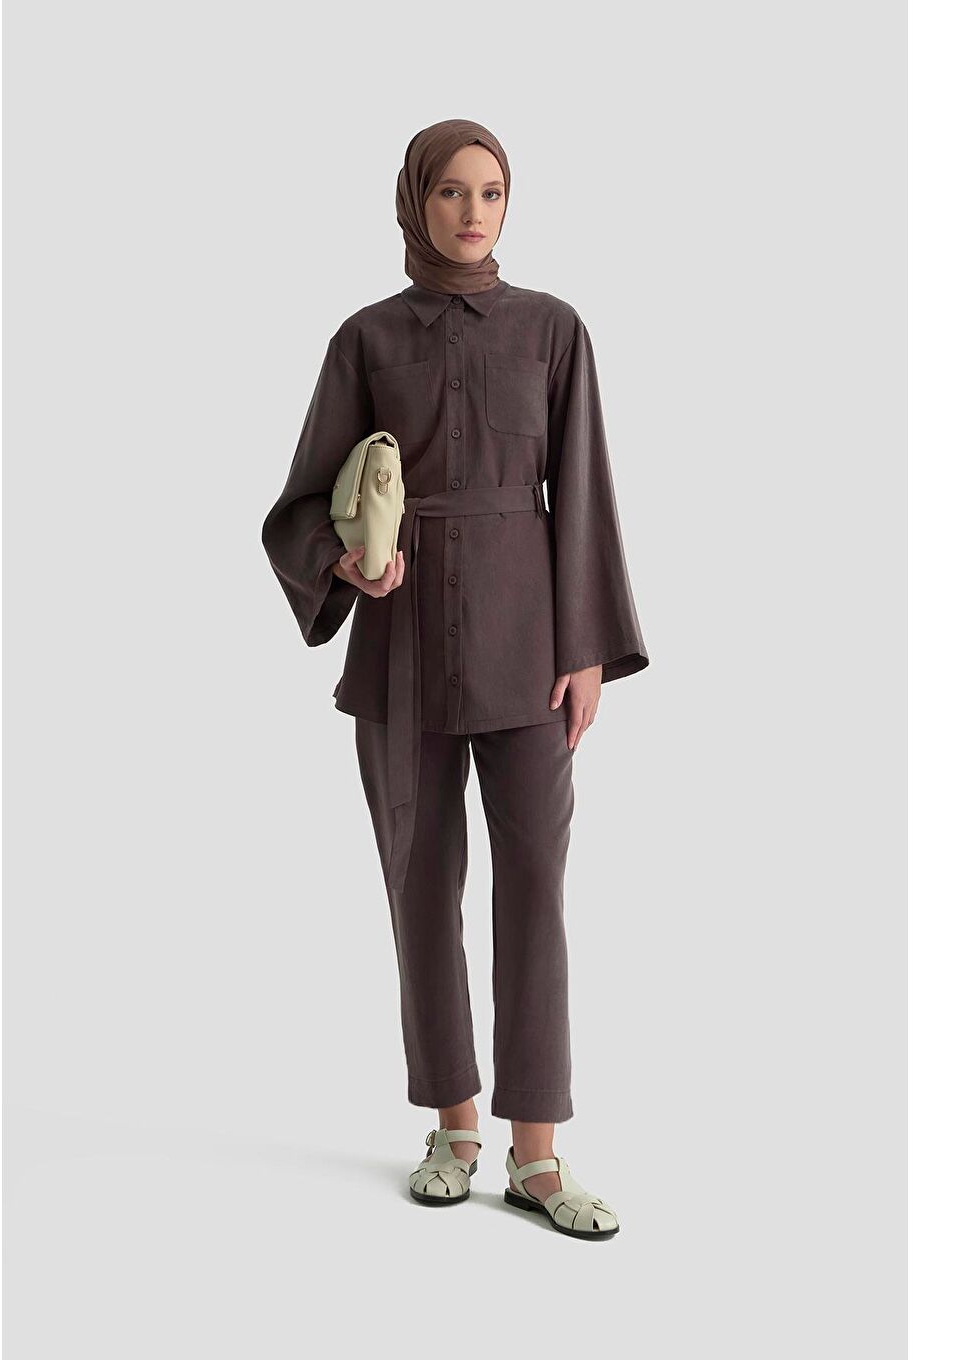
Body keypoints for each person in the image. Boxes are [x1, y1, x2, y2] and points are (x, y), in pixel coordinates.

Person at [261, 118, 649, 1241]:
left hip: (532, 651)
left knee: (536, 889)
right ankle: (454, 1127)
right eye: (449, 193)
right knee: (421, 885)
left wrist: (587, 647)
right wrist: (345, 562)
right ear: (415, 203)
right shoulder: (366, 339)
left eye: (490, 192)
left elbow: (583, 491)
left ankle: (538, 1151)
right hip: (404, 651)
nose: (472, 212)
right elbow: (298, 503)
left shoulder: (554, 330)